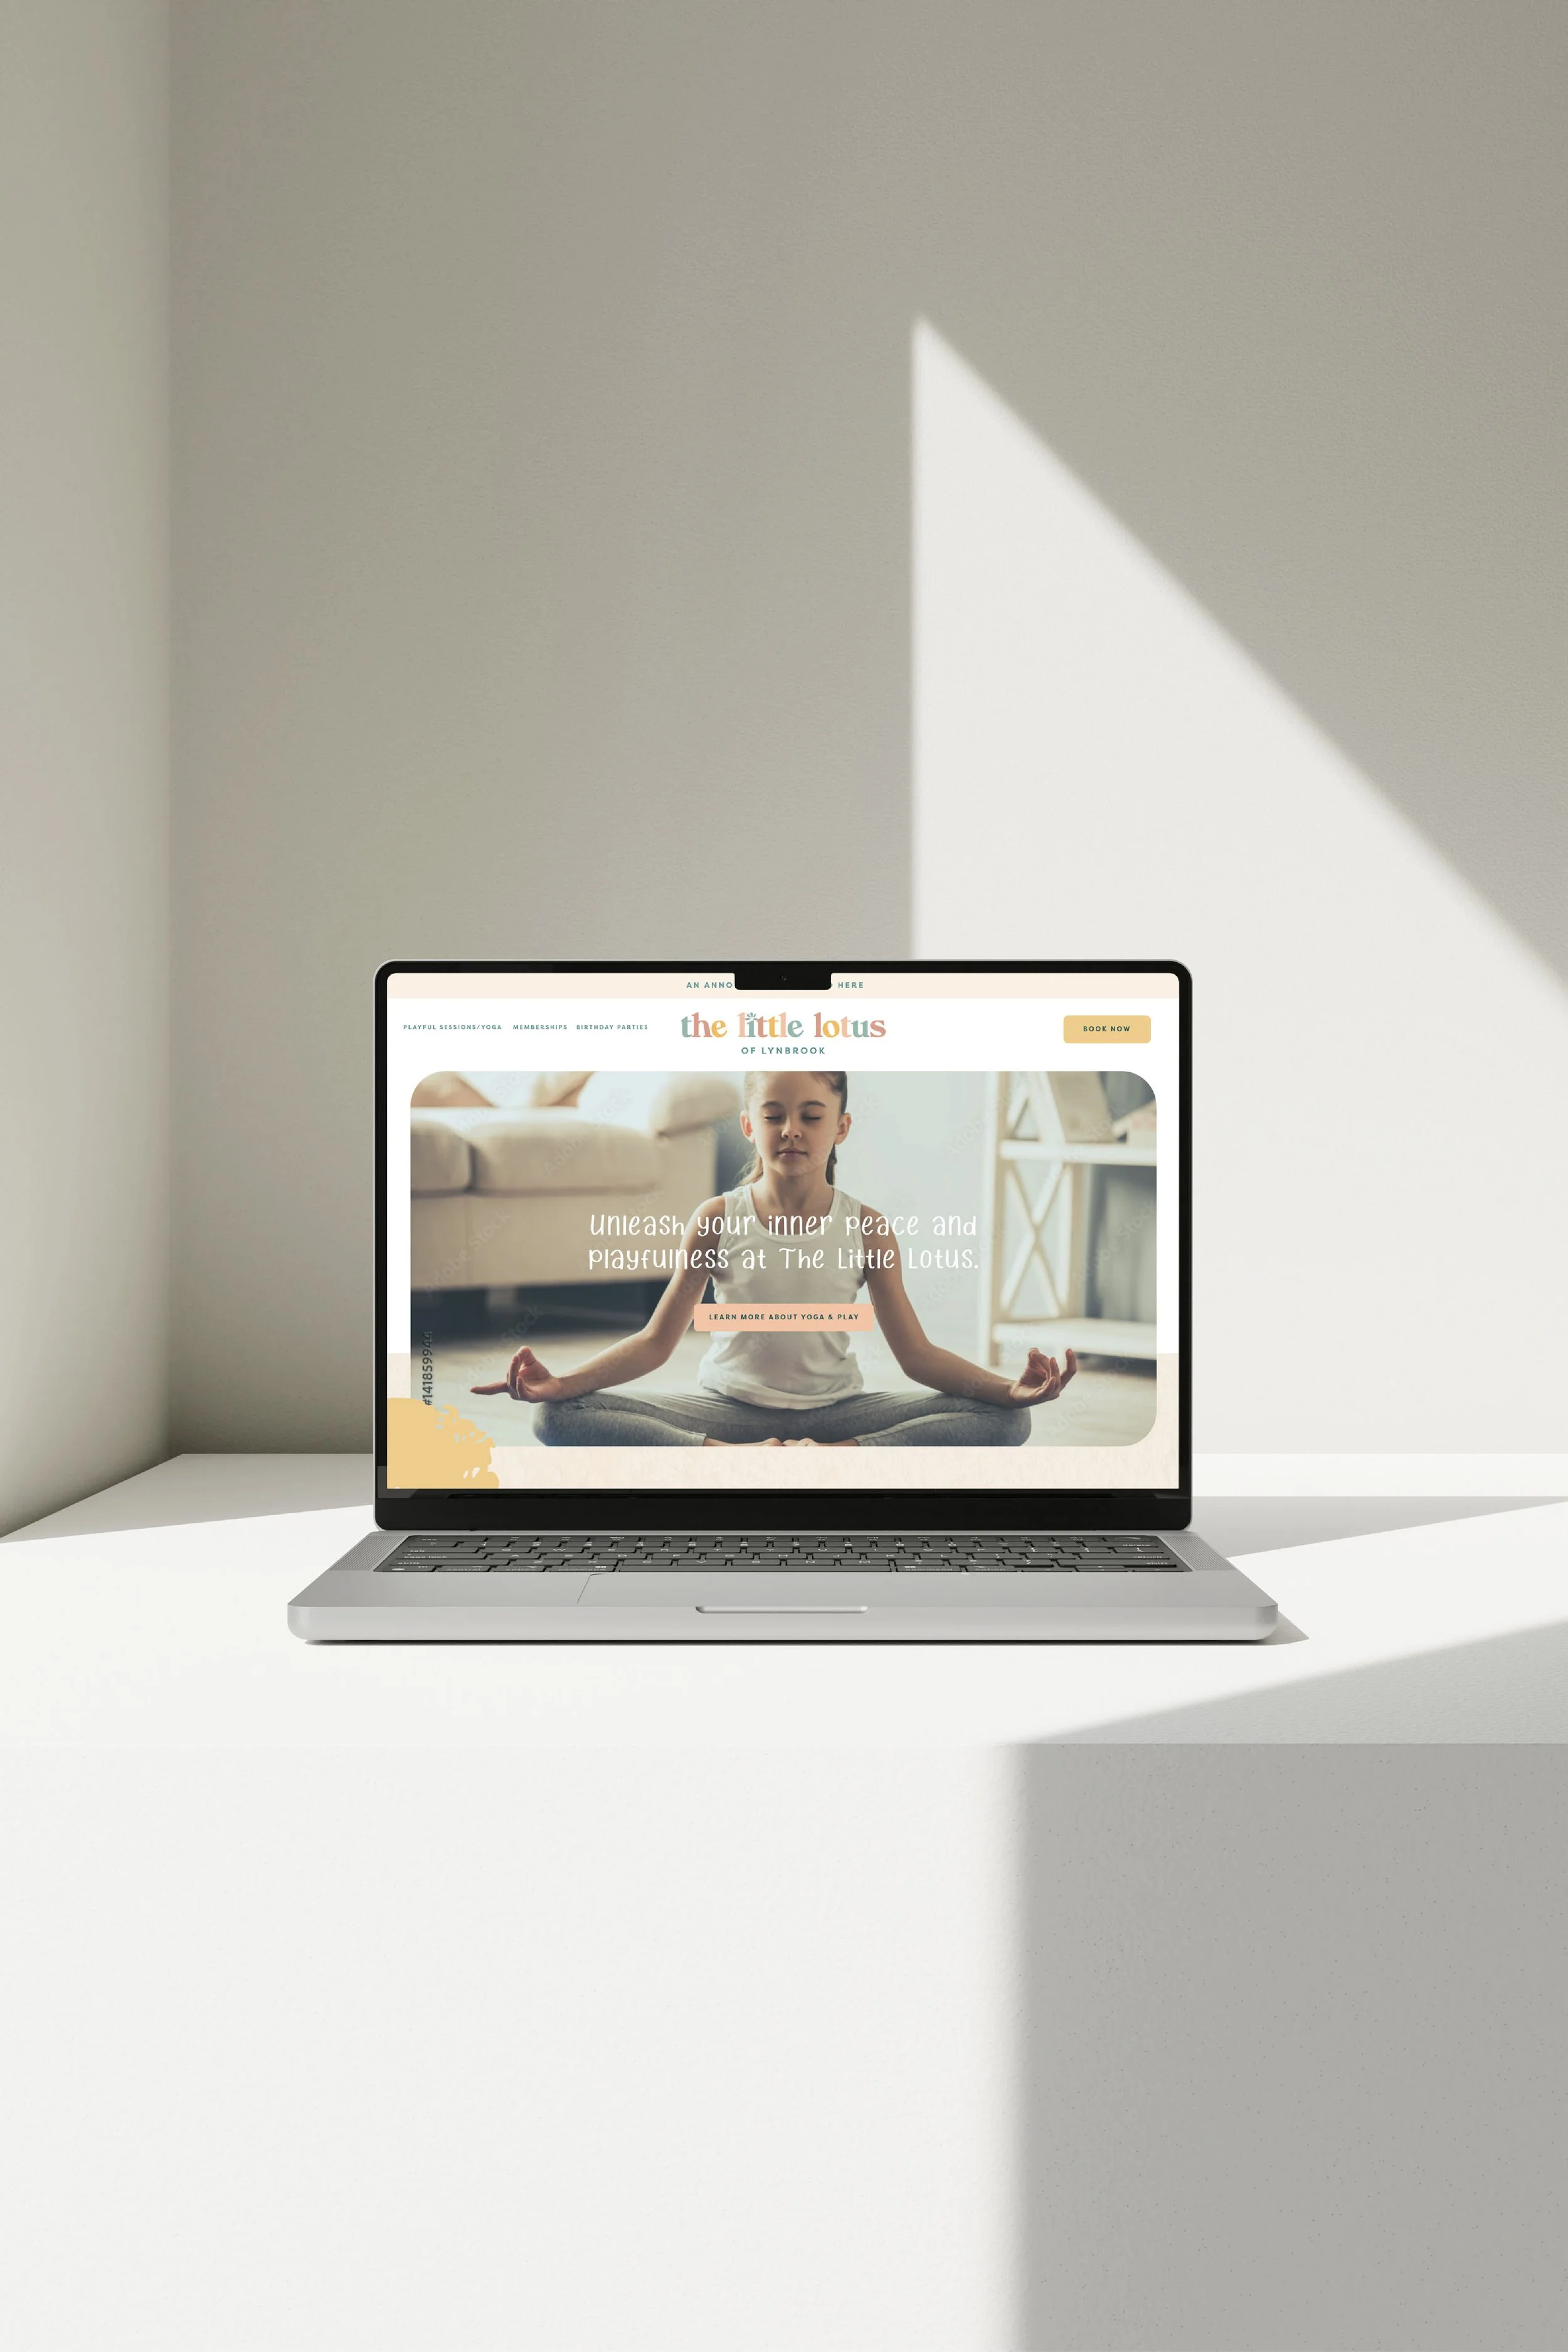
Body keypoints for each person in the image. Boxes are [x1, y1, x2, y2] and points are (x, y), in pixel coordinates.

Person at [472, 1068, 1076, 1446]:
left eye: (811, 1116)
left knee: (1008, 1424)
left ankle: (837, 1463)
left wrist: (1007, 1390)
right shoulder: (715, 1218)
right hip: (726, 1412)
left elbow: (916, 1357)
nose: (792, 1129)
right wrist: (562, 1384)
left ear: (840, 1127)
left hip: (838, 1414)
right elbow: (657, 1342)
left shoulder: (867, 1227)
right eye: (773, 1115)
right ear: (748, 1124)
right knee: (554, 1419)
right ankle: (725, 1462)